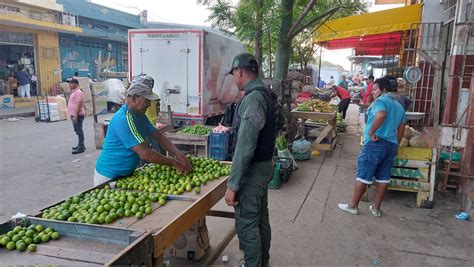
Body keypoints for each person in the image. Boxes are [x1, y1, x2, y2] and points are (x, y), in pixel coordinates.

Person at [225, 53, 277, 267]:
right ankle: (262, 262)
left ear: (239, 71)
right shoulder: (265, 94)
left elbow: (245, 147)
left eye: (233, 75)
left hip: (253, 171)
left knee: (247, 225)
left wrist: (233, 185)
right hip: (264, 167)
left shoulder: (254, 99)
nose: (234, 79)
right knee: (260, 220)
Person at [94, 82, 192, 186]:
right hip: (109, 176)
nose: (149, 104)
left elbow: (159, 136)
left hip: (125, 175)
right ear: (134, 99)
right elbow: (146, 154)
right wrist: (175, 163)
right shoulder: (124, 119)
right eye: (147, 100)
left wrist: (178, 154)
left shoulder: (140, 115)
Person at [338, 78, 406, 217]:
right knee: (383, 177)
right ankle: (376, 208)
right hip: (391, 145)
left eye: (375, 89)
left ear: (383, 90)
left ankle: (353, 206)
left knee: (364, 175)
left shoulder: (381, 101)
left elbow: (381, 115)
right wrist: (396, 143)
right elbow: (401, 128)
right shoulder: (399, 106)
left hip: (376, 143)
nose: (373, 92)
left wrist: (371, 132)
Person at [67, 79, 86, 154]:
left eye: (71, 83)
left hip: (77, 114)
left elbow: (78, 104)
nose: (70, 85)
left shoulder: (78, 93)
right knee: (77, 130)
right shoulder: (74, 92)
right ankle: (81, 145)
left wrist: (75, 115)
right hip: (74, 114)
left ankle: (81, 147)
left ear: (76, 84)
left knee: (79, 130)